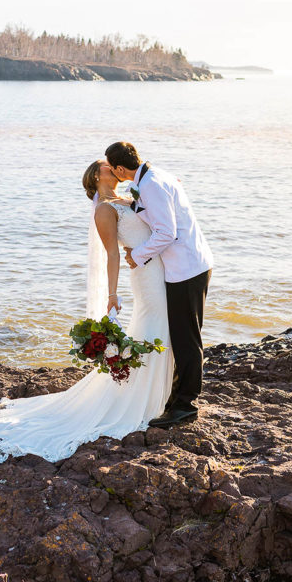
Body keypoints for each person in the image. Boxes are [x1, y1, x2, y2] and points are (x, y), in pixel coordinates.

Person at [0, 160, 174, 466]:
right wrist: (111, 294)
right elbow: (112, 253)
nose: (115, 169)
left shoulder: (128, 199)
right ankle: (145, 402)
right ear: (97, 176)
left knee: (157, 326)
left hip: (157, 269)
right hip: (145, 278)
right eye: (108, 166)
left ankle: (155, 395)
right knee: (154, 323)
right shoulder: (104, 210)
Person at [105, 141, 213, 429]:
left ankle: (186, 405)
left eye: (112, 170)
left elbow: (167, 233)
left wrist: (136, 256)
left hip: (187, 268)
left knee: (186, 339)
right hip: (187, 265)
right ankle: (177, 399)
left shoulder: (151, 184)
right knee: (182, 337)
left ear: (118, 168)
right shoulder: (153, 177)